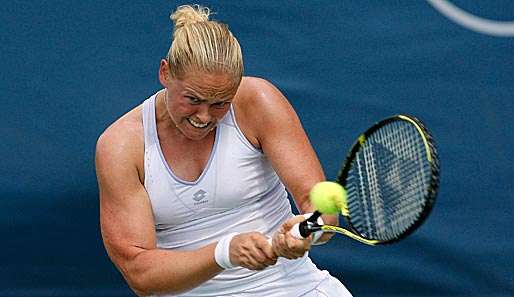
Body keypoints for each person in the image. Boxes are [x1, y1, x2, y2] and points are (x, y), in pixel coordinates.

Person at [95, 4, 353, 297]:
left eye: (220, 103)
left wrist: (308, 230)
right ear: (165, 73)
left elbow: (322, 212)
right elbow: (140, 273)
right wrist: (224, 253)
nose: (204, 117)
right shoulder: (121, 146)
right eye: (193, 99)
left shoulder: (259, 102)